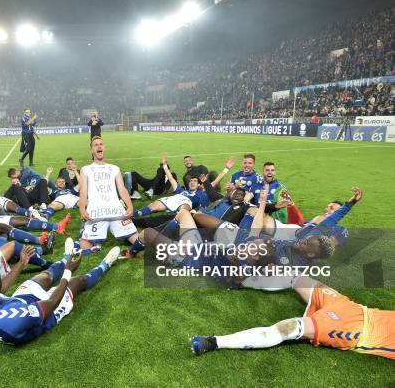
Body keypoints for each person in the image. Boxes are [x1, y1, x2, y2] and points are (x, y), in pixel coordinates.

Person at [0, 238, 121, 345]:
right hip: (42, 316)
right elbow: (51, 303)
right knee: (76, 282)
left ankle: (65, 257)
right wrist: (68, 272)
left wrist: (22, 263)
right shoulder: (12, 319)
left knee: (46, 276)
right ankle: (105, 264)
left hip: (15, 303)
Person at [191, 276, 395, 360]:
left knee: (287, 328)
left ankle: (214, 342)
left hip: (355, 329)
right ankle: (238, 282)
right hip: (351, 307)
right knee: (296, 277)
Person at [78, 136, 145, 257]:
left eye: (101, 144)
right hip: (97, 212)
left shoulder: (114, 168)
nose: (99, 146)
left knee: (139, 241)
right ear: (91, 150)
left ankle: (129, 252)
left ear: (104, 148)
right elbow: (83, 191)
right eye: (95, 145)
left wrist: (130, 206)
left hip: (116, 211)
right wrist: (82, 209)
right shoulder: (86, 169)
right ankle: (92, 242)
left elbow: (122, 189)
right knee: (85, 246)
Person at [133, 154, 209, 218]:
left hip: (185, 202)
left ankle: (173, 217)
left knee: (184, 209)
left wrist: (205, 186)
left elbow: (203, 207)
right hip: (174, 198)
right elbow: (171, 179)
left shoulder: (201, 193)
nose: (192, 182)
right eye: (190, 181)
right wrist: (165, 165)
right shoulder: (182, 190)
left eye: (195, 181)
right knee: (152, 206)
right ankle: (133, 215)